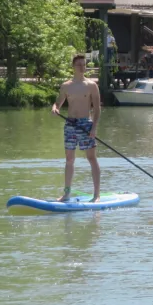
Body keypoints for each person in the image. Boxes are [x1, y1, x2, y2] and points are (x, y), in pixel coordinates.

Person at [51, 54, 102, 202]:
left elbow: (97, 109)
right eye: (79, 64)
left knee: (91, 158)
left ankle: (96, 195)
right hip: (70, 124)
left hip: (86, 123)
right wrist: (55, 109)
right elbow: (57, 104)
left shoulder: (92, 85)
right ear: (73, 67)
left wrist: (94, 127)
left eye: (84, 64)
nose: (82, 67)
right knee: (69, 159)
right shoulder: (66, 86)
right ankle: (66, 194)